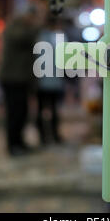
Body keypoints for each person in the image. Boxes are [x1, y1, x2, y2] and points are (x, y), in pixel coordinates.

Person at [0, 5, 40, 156]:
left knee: (22, 112)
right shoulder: (15, 27)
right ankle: (13, 144)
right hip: (12, 79)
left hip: (21, 79)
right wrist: (36, 26)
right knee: (14, 113)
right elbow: (22, 38)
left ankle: (19, 142)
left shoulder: (23, 27)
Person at [36, 16, 65, 145]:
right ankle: (50, 135)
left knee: (45, 109)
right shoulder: (55, 37)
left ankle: (46, 136)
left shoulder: (41, 36)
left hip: (44, 80)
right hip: (48, 80)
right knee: (50, 109)